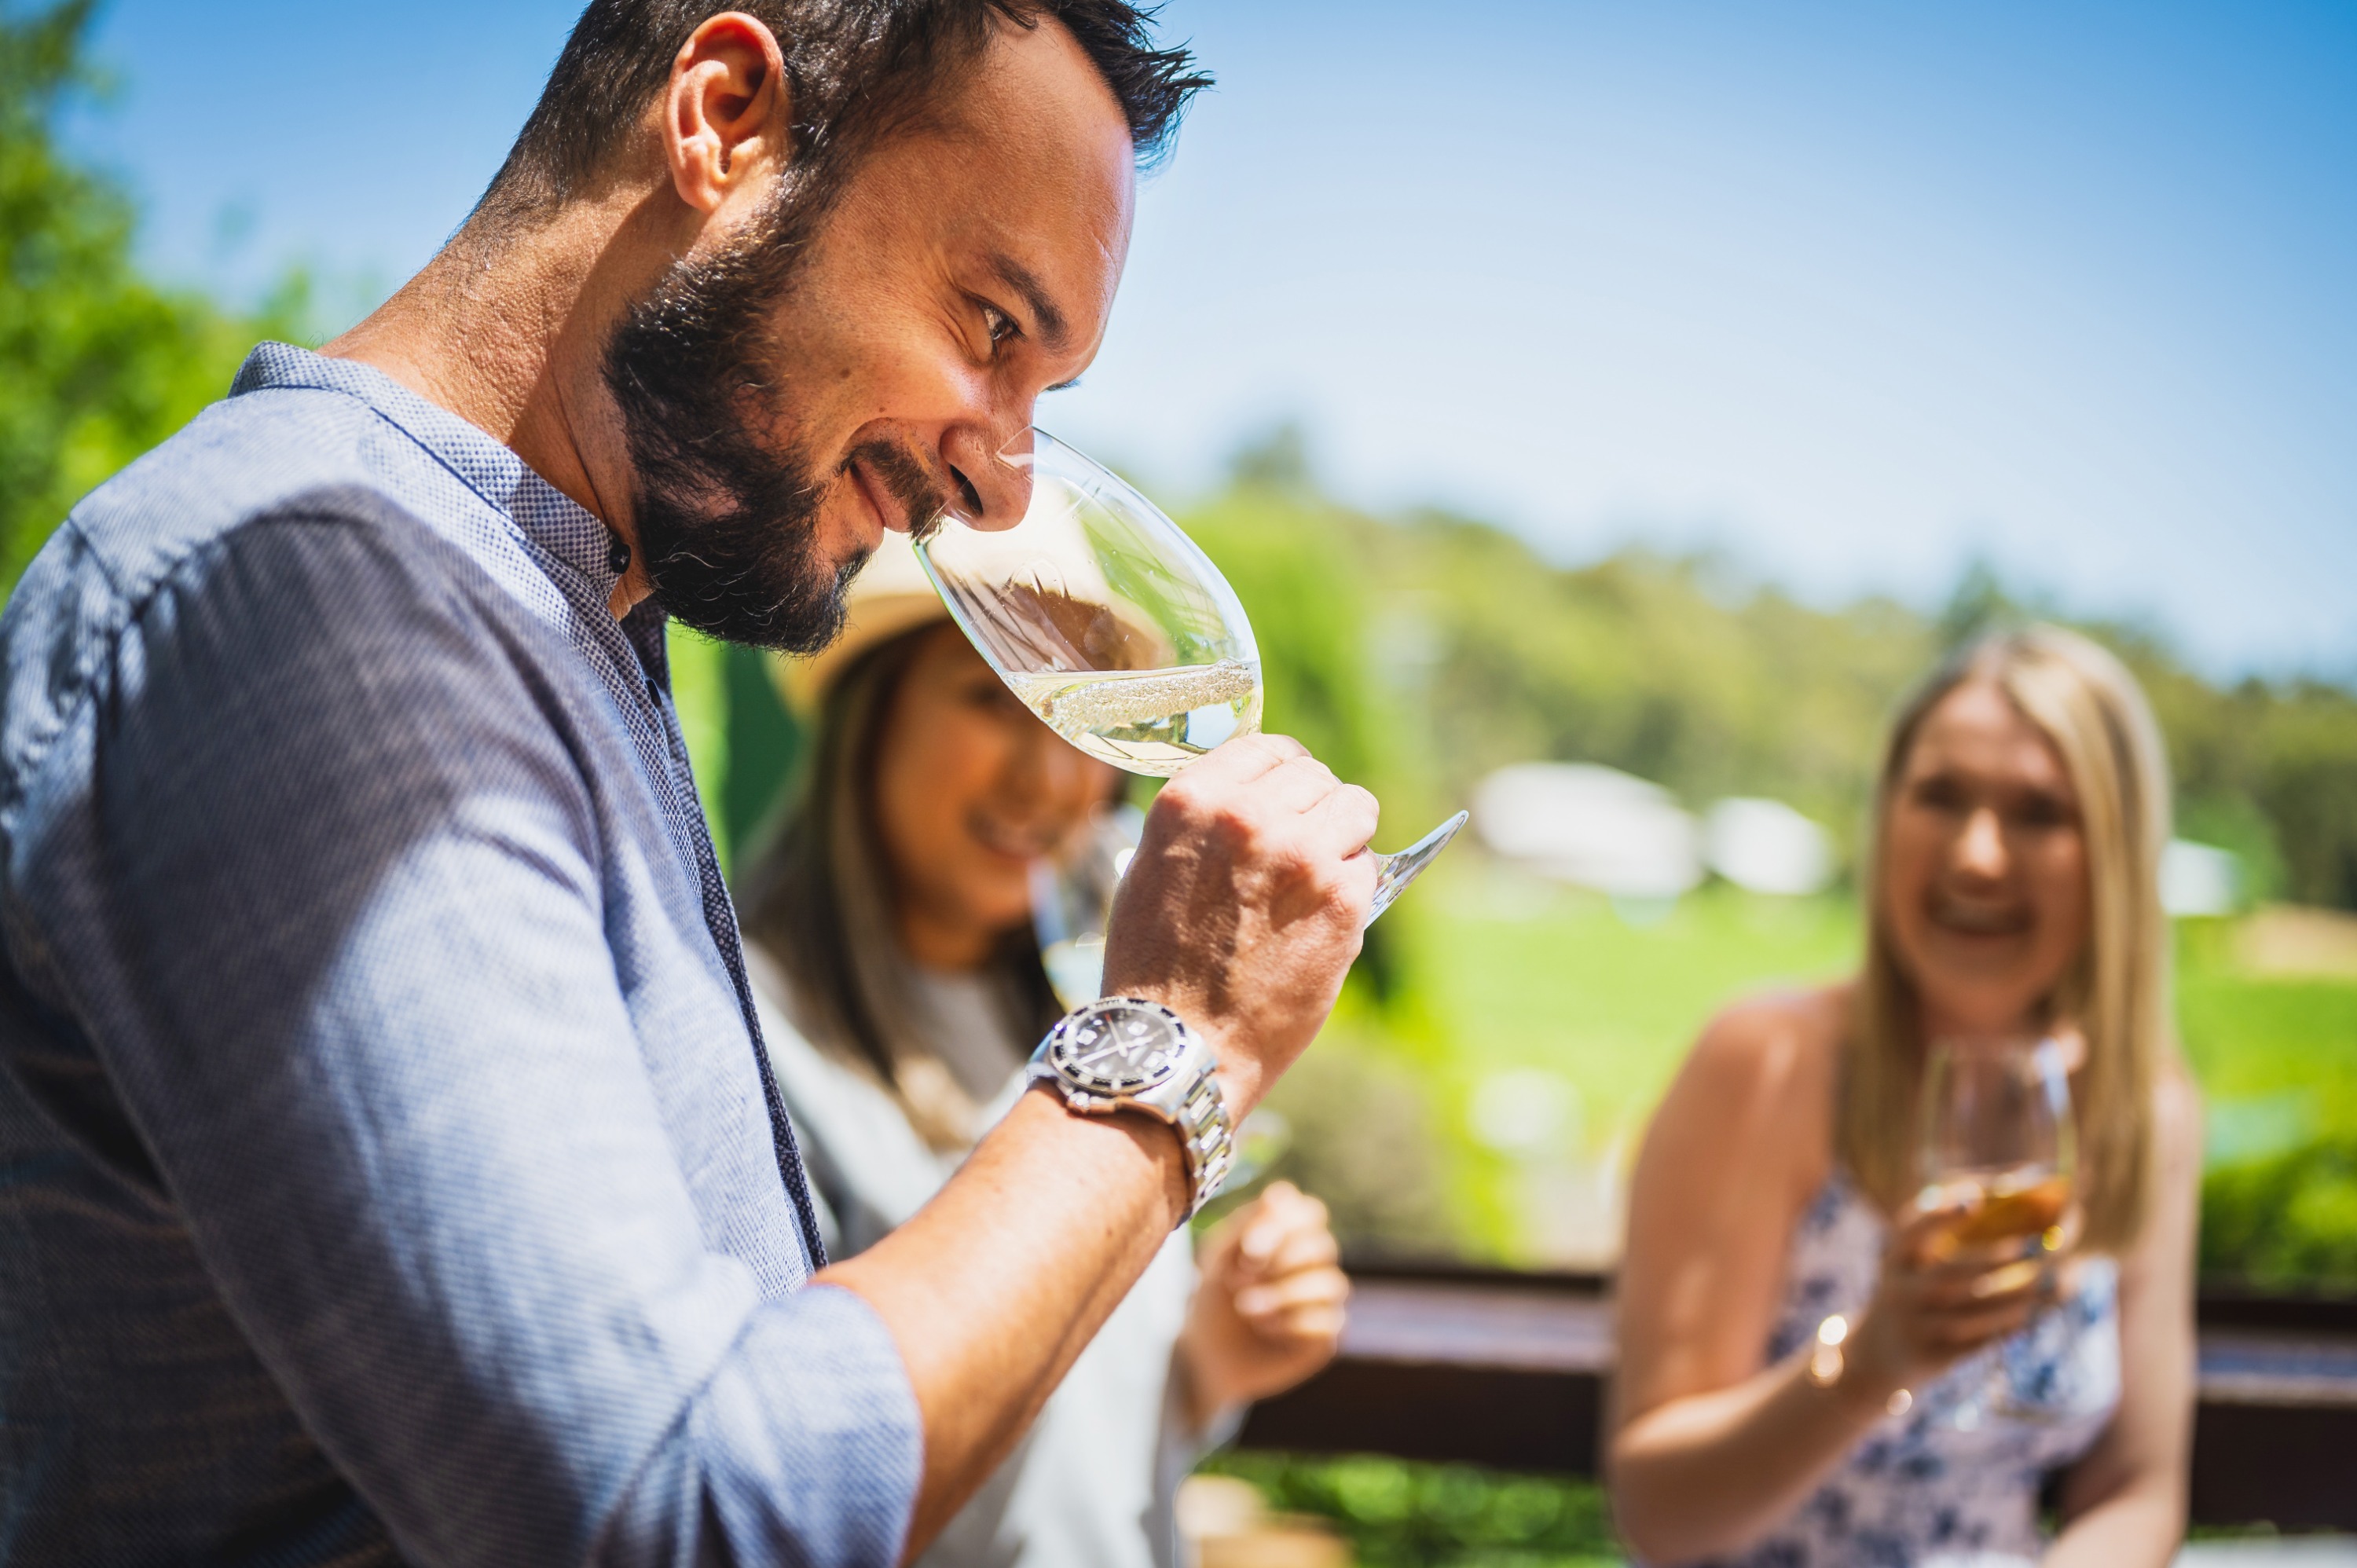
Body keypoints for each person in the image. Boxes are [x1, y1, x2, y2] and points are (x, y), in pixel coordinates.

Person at [0, 5, 1385, 1565]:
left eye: (1044, 388)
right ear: (723, 119)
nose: (1005, 473)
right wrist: (1175, 1049)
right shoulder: (311, 604)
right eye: (994, 324)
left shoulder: (560, 615)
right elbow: (674, 1509)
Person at [735, 532, 1350, 1567]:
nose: (1048, 773)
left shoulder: (1089, 1018)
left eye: (1082, 717)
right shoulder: (750, 1034)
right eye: (990, 698)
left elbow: (1073, 1448)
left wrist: (1208, 1366)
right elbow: (780, 1479)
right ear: (867, 720)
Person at [1608, 627, 2201, 1567]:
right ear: (1886, 817)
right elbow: (1659, 1511)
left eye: (2040, 812)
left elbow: (2137, 1488)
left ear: (2117, 852)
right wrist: (1872, 1361)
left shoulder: (2145, 1104)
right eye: (1940, 796)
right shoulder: (1767, 1062)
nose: (1976, 854)